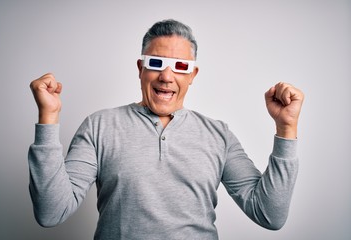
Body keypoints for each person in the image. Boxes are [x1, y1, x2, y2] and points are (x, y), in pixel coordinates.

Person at [28, 19, 304, 240]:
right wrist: (48, 117)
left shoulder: (218, 135)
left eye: (180, 67)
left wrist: (286, 127)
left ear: (193, 75)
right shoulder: (99, 126)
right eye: (156, 63)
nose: (167, 77)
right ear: (140, 68)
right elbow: (51, 212)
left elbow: (269, 215)